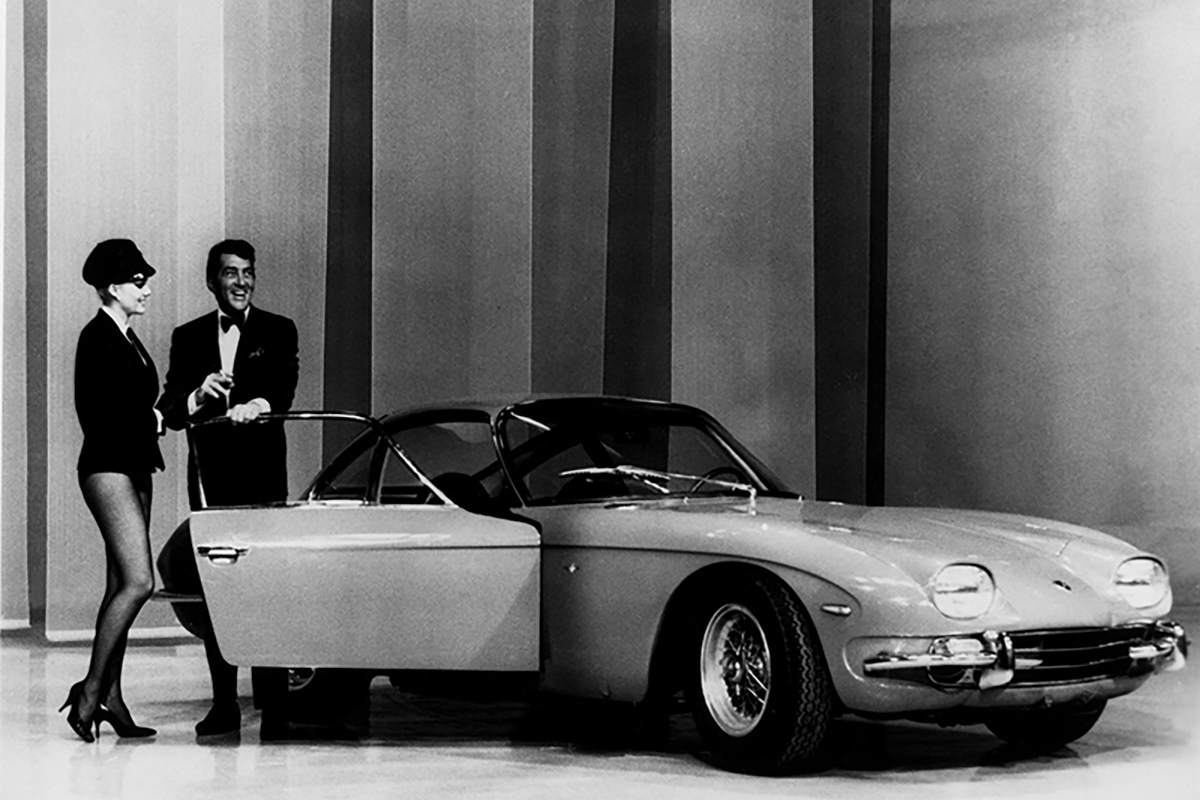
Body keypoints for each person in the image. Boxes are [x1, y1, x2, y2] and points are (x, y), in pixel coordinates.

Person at [156, 238, 299, 736]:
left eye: (248, 272)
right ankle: (224, 705)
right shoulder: (188, 336)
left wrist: (257, 404)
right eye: (230, 273)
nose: (241, 282)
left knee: (268, 589)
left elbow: (283, 389)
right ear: (211, 281)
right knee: (217, 589)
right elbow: (171, 411)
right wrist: (200, 394)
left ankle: (275, 709)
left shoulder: (279, 329)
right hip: (212, 483)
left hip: (264, 482)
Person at [61, 239, 164, 742]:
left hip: (135, 465)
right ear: (112, 287)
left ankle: (113, 697)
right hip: (108, 468)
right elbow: (100, 417)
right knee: (139, 582)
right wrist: (154, 421)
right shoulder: (97, 337)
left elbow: (141, 407)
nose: (147, 289)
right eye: (138, 282)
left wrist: (184, 403)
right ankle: (89, 692)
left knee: (119, 583)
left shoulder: (127, 337)